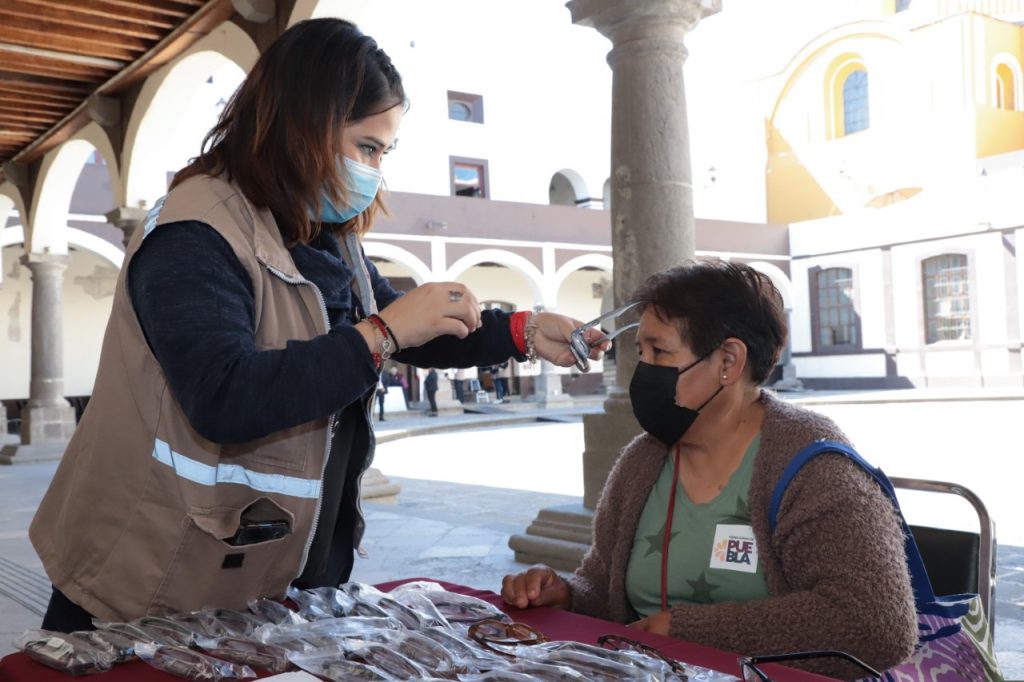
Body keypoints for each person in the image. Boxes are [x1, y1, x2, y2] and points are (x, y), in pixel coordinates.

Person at [29, 17, 608, 632]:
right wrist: (382, 334)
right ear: (302, 125)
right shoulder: (196, 232)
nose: (376, 170)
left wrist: (520, 332)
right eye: (367, 148)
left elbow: (409, 326)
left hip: (258, 577)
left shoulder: (320, 232)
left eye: (384, 153)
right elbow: (223, 394)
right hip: (148, 578)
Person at [501, 260, 917, 680]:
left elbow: (875, 623)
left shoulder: (814, 468)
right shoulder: (641, 462)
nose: (643, 370)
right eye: (641, 352)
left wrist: (686, 633)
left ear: (728, 361)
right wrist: (567, 596)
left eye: (660, 352)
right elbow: (604, 585)